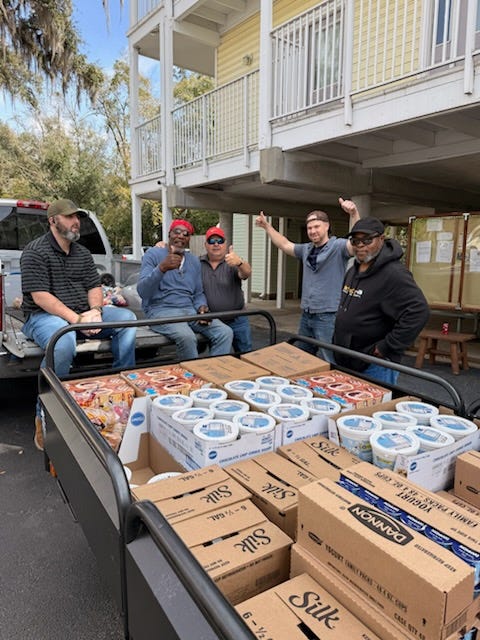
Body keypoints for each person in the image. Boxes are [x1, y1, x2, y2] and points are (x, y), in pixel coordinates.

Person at [21, 198, 137, 451]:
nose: (77, 222)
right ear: (53, 221)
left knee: (128, 320)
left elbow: (94, 286)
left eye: (78, 218)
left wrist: (95, 311)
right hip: (42, 316)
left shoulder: (82, 253)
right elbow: (41, 297)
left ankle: (118, 391)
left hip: (83, 313)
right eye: (70, 217)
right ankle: (45, 414)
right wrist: (77, 321)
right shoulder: (34, 251)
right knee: (62, 343)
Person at [255, 197, 360, 361]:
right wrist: (267, 227)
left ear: (327, 226)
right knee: (303, 359)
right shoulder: (306, 249)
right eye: (310, 228)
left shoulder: (338, 247)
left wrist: (354, 213)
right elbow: (284, 244)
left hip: (328, 315)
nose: (312, 231)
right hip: (307, 314)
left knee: (329, 359)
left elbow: (355, 244)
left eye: (317, 226)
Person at [333, 217, 430, 385]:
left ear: (381, 239)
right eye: (355, 241)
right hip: (348, 358)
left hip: (374, 364)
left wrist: (386, 347)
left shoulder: (394, 274)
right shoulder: (353, 270)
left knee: (372, 409)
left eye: (367, 240)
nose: (360, 245)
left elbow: (419, 312)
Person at [137, 219, 233, 360]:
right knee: (187, 337)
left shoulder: (193, 261)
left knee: (225, 332)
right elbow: (143, 291)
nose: (181, 236)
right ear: (169, 234)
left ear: (188, 239)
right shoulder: (153, 254)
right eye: (177, 231)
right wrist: (161, 269)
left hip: (190, 312)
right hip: (161, 312)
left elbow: (198, 293)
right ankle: (191, 378)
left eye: (186, 234)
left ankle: (212, 372)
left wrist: (202, 307)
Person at [200, 226, 253, 353]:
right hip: (213, 321)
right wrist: (162, 246)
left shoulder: (232, 262)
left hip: (238, 319)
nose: (216, 244)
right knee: (218, 358)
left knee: (245, 355)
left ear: (225, 244)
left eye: (220, 241)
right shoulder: (198, 263)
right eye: (212, 241)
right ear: (206, 244)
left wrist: (240, 262)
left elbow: (246, 273)